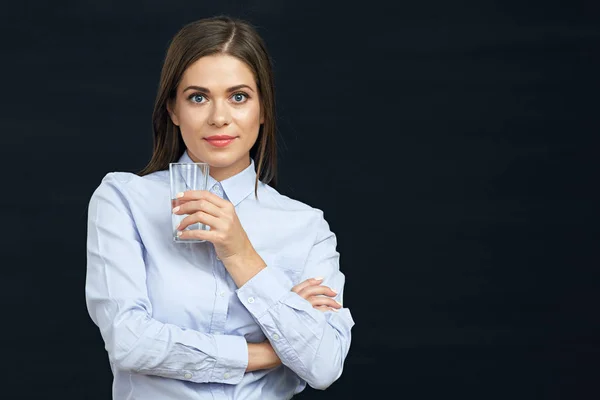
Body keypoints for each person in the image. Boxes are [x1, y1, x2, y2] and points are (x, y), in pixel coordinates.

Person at [85, 15, 354, 400]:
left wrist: (242, 255)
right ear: (173, 111)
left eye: (239, 96)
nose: (219, 117)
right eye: (198, 97)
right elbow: (130, 341)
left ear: (263, 109)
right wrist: (271, 352)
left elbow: (325, 364)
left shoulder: (305, 226)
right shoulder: (126, 200)